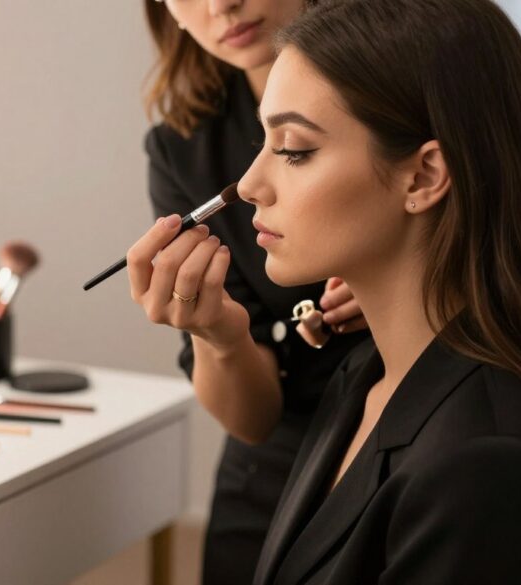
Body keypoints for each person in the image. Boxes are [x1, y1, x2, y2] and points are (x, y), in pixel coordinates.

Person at [131, 0, 521, 582]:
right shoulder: (357, 383)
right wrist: (215, 333)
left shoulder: (478, 465)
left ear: (423, 176)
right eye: (265, 140)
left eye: (294, 150)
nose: (249, 185)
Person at [140, 1, 367, 582]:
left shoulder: (418, 78)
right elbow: (253, 419)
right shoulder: (184, 145)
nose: (221, 5)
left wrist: (416, 279)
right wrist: (216, 332)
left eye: (296, 151)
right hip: (280, 459)